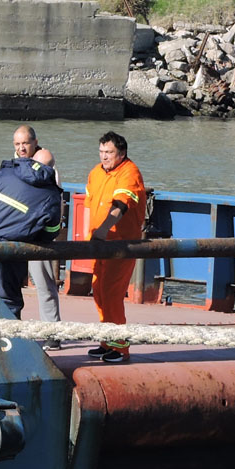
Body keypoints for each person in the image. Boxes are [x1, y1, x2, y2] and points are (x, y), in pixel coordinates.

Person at [0, 148, 62, 319]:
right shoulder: (51, 194)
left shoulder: (6, 172)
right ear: (52, 170)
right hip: (7, 250)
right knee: (9, 300)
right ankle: (8, 342)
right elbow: (51, 232)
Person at [85, 131, 146, 363]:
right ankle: (106, 341)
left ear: (121, 154)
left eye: (109, 153)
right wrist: (89, 235)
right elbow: (90, 206)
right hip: (99, 245)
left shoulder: (129, 173)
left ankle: (120, 348)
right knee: (99, 291)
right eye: (101, 152)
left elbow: (121, 206)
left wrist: (103, 229)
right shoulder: (95, 173)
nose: (104, 157)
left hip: (121, 244)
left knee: (112, 293)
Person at [12, 125, 64, 335]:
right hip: (14, 231)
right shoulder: (12, 164)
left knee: (44, 284)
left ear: (35, 142)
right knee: (9, 285)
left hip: (37, 235)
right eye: (17, 144)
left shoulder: (47, 166)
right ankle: (10, 330)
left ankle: (52, 333)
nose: (21, 148)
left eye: (25, 143)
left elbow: (54, 204)